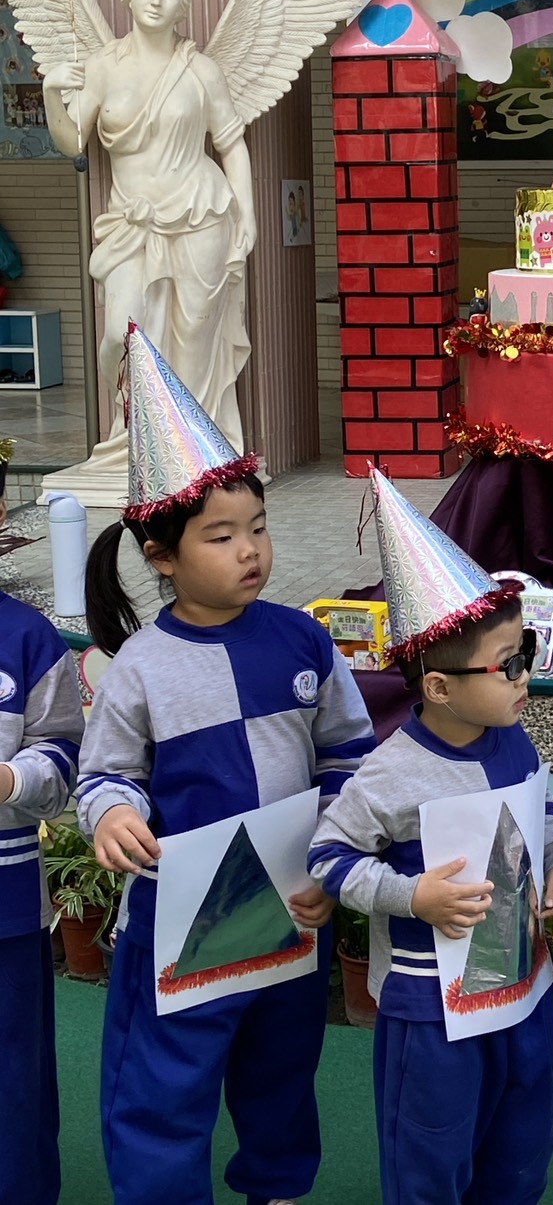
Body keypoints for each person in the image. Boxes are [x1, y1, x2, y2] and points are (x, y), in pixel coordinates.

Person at [76, 323, 376, 1205]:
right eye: (220, 535)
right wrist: (112, 813)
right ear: (161, 556)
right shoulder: (139, 667)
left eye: (258, 527)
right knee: (162, 1087)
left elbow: (348, 756)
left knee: (281, 1069)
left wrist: (335, 853)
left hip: (290, 903)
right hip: (179, 914)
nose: (250, 549)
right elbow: (106, 773)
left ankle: (277, 1188)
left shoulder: (304, 639)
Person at [308, 466, 553, 1205]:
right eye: (508, 664)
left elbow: (542, 811)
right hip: (431, 1005)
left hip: (524, 988)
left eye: (529, 652)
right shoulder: (392, 772)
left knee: (520, 1148)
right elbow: (329, 858)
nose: (525, 676)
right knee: (429, 1157)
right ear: (438, 687)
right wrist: (411, 896)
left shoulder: (512, 737)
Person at [42, 0, 255, 461]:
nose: (157, 0)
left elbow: (230, 143)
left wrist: (247, 214)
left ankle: (191, 451)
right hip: (131, 222)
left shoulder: (201, 70)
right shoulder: (102, 67)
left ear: (183, 5)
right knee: (122, 332)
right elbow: (72, 141)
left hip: (201, 213)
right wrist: (50, 92)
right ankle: (139, 435)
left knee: (195, 336)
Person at [0, 518, 84, 1205]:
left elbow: (62, 757)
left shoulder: (29, 638)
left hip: (5, 905)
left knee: (13, 1070)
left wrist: (10, 779)